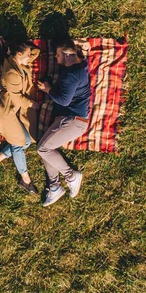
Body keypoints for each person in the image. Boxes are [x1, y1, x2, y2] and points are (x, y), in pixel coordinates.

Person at [0, 41, 40, 194]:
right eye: (27, 54)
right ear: (18, 54)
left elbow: (36, 52)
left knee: (25, 142)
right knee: (20, 143)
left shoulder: (18, 63)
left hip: (10, 109)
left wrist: (27, 53)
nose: (30, 56)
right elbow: (16, 98)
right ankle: (25, 179)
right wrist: (32, 104)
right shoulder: (12, 73)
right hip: (4, 111)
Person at [36, 38, 90, 206]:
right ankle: (54, 186)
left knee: (43, 148)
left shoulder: (72, 74)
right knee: (46, 146)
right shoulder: (78, 65)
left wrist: (47, 89)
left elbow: (64, 100)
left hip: (73, 120)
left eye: (58, 55)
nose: (56, 59)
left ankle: (71, 176)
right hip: (70, 119)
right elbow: (79, 51)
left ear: (67, 56)